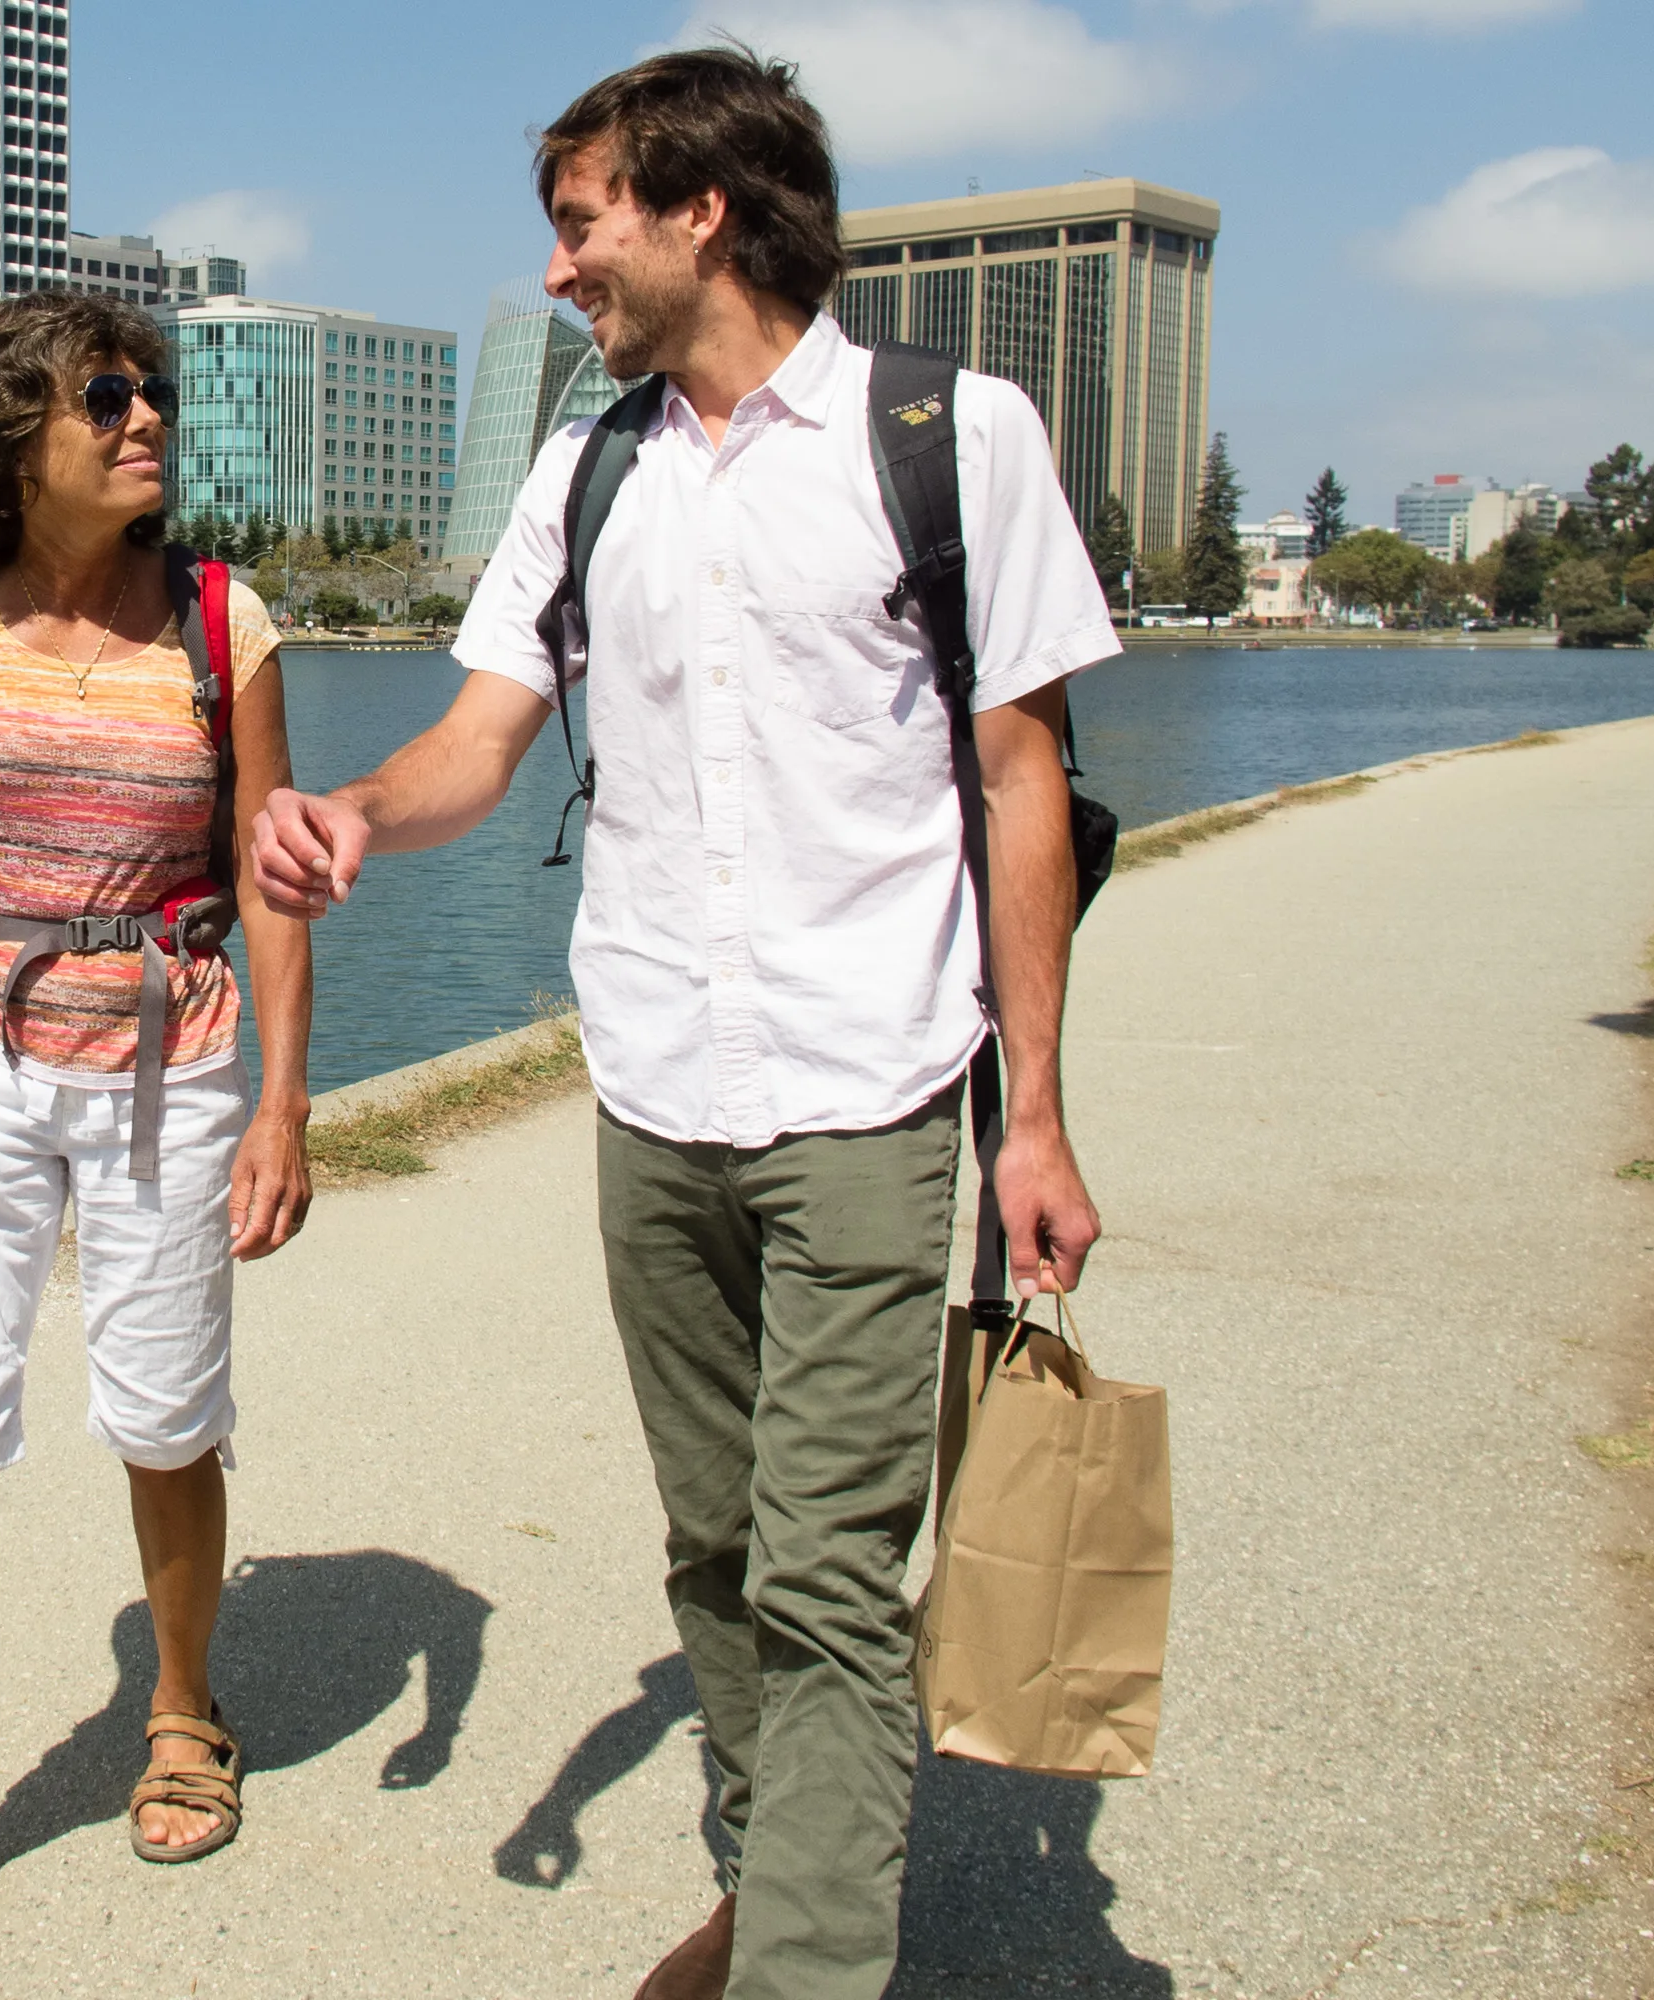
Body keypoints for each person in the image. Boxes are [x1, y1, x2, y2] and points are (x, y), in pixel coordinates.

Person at [250, 46, 1113, 2000]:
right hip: (651, 1092)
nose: (562, 272)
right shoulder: (592, 467)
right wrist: (356, 816)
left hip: (874, 1093)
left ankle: (808, 1959)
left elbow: (1023, 775)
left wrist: (1036, 1113)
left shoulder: (952, 435)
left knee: (822, 1563)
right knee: (717, 1546)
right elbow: (483, 737)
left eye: (581, 224)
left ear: (699, 209)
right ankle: (774, 1853)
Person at [0, 291, 316, 1987]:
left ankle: (182, 1713)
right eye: (102, 396)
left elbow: (271, 876)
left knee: (167, 1413)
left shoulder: (221, 624)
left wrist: (280, 1100)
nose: (143, 420)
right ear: (10, 434)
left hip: (168, 1072)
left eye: (149, 393)